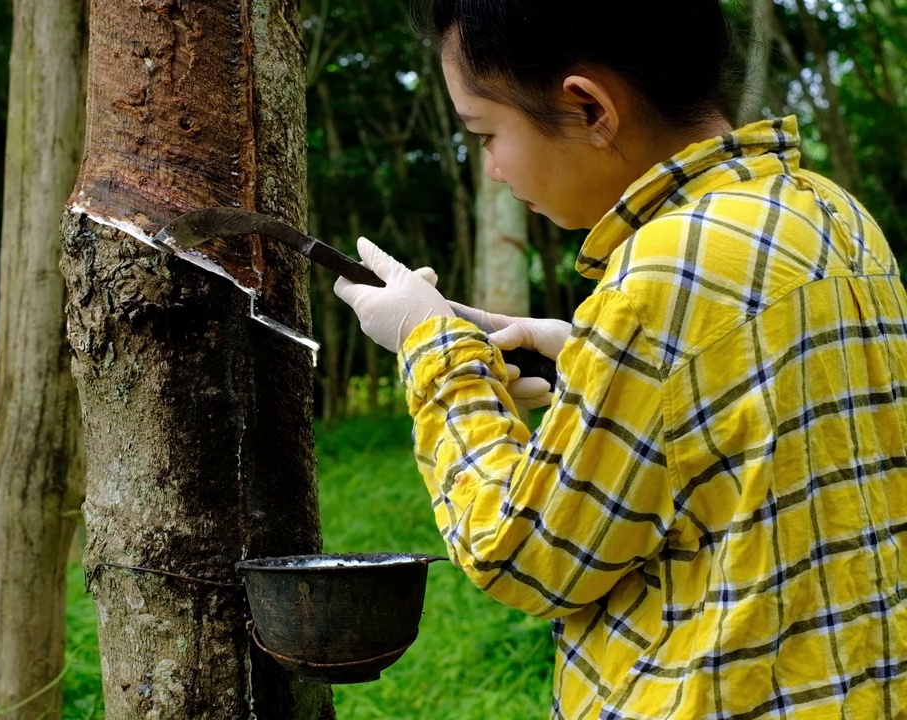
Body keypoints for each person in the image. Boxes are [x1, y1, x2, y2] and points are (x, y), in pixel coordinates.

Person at [333, 1, 907, 717]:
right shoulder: (832, 213)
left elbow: (526, 553)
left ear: (587, 107)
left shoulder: (655, 278)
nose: (494, 169)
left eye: (486, 134)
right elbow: (770, 414)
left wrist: (433, 350)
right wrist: (584, 352)